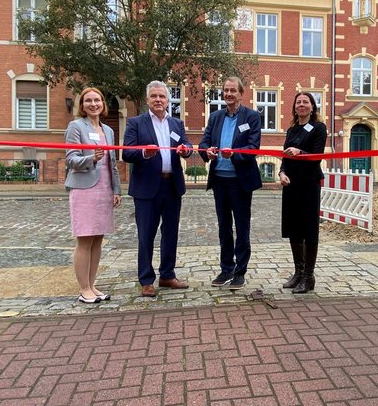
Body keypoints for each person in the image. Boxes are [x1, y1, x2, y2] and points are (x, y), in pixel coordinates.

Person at [122, 81, 193, 298]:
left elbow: (188, 146)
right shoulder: (136, 123)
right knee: (146, 235)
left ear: (168, 99)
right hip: (146, 188)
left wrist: (186, 151)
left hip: (172, 185)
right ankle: (146, 280)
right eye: (154, 96)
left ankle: (167, 275)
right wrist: (144, 152)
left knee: (170, 233)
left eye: (162, 96)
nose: (158, 100)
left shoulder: (176, 124)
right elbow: (126, 152)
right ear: (147, 100)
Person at [199, 76, 262, 290]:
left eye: (233, 90)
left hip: (240, 182)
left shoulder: (252, 117)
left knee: (242, 227)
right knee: (223, 227)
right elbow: (204, 141)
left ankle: (240, 272)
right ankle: (226, 268)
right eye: (225, 90)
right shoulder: (215, 116)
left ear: (241, 94)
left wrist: (232, 154)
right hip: (220, 180)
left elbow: (253, 147)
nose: (228, 94)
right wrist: (207, 151)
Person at [64, 87, 122, 304]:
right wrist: (92, 159)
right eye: (88, 100)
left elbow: (113, 163)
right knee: (85, 239)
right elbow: (70, 159)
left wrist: (116, 190)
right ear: (82, 105)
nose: (93, 104)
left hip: (104, 188)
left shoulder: (108, 130)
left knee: (98, 239)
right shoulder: (75, 126)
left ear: (102, 103)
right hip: (84, 189)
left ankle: (92, 284)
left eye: (97, 100)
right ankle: (83, 288)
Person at [279, 91, 328, 294]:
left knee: (309, 229)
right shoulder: (292, 130)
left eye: (305, 102)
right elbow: (284, 156)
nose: (301, 105)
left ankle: (309, 276)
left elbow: (317, 156)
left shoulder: (319, 128)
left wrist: (301, 153)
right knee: (294, 228)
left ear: (312, 106)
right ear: (294, 107)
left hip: (309, 184)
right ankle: (298, 272)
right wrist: (282, 172)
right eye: (298, 102)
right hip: (291, 184)